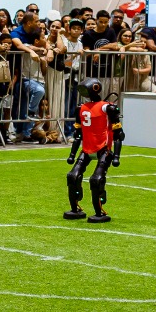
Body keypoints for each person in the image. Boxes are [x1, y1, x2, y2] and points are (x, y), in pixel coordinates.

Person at [64, 79, 123, 223]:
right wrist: (72, 154)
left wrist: (116, 156)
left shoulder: (107, 108)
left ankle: (99, 211)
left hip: (104, 148)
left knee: (96, 179)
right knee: (72, 176)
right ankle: (75, 208)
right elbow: (78, 134)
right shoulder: (81, 108)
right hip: (87, 148)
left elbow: (118, 135)